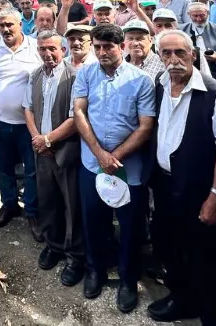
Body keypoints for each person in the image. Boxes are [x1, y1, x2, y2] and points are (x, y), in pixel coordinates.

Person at [148, 30, 216, 326]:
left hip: (199, 190)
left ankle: (214, 316)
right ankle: (182, 299)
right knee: (171, 248)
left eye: (180, 53)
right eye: (167, 54)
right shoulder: (160, 86)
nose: (173, 60)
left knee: (205, 256)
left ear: (193, 55)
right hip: (165, 185)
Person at [72, 23, 155, 309]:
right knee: (94, 220)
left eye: (108, 46)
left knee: (131, 226)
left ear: (121, 46)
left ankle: (128, 279)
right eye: (97, 47)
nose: (102, 52)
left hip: (128, 168)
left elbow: (145, 127)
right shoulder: (85, 73)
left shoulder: (141, 80)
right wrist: (99, 154)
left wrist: (115, 156)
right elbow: (79, 112)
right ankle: (95, 269)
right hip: (92, 164)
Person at [24, 31, 84, 288]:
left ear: (63, 49)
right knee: (48, 200)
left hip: (66, 151)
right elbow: (27, 108)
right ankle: (54, 245)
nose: (47, 54)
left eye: (52, 49)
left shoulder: (75, 76)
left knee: (72, 204)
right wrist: (38, 138)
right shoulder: (35, 75)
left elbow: (77, 117)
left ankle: (76, 256)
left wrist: (49, 140)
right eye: (42, 49)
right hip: (42, 151)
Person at [0, 10, 42, 239]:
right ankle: (9, 205)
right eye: (1, 25)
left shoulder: (35, 47)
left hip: (29, 125)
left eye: (9, 25)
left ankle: (32, 211)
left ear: (20, 25)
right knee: (3, 169)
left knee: (32, 170)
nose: (5, 29)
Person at [180, 3, 216, 88]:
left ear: (208, 13)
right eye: (195, 16)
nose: (198, 19)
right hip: (188, 76)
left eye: (202, 15)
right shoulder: (181, 31)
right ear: (189, 15)